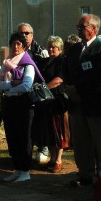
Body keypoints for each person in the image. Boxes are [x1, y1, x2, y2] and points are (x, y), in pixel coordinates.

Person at [64, 14, 101, 187]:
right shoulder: (74, 49)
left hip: (96, 104)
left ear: (93, 28)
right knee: (81, 141)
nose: (78, 29)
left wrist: (78, 89)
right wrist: (69, 89)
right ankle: (85, 174)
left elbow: (97, 76)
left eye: (81, 26)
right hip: (77, 104)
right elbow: (67, 71)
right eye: (78, 26)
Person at [0, 32, 41, 182]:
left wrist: (9, 88)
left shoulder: (27, 64)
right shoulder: (7, 62)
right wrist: (10, 85)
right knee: (12, 136)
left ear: (24, 46)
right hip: (9, 103)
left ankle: (25, 170)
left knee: (24, 136)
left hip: (23, 104)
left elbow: (26, 85)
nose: (15, 47)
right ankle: (17, 168)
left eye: (19, 44)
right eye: (13, 44)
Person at [35, 36, 70, 173]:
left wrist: (43, 88)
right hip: (45, 101)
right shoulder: (45, 62)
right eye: (49, 46)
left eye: (54, 47)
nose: (51, 49)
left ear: (60, 48)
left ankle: (59, 160)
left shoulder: (62, 61)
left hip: (57, 100)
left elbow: (58, 80)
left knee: (57, 131)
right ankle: (52, 158)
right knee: (48, 131)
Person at [17, 22, 50, 163]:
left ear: (32, 35)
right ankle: (24, 154)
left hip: (37, 93)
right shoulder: (16, 49)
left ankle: (43, 147)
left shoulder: (41, 51)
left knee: (39, 122)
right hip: (20, 92)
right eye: (21, 33)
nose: (24, 36)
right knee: (24, 125)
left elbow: (46, 73)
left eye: (26, 33)